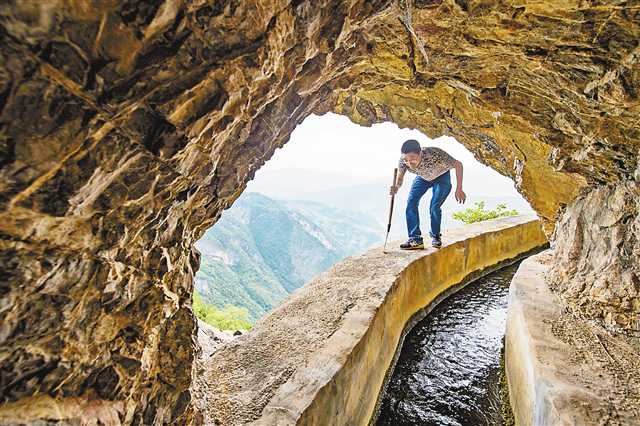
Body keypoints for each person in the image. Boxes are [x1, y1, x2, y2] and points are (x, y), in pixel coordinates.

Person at [389, 139, 466, 249]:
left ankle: (436, 236)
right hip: (423, 178)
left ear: (420, 153)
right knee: (411, 202)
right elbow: (400, 177)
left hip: (441, 177)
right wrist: (396, 187)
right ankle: (415, 239)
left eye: (413, 159)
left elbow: (458, 164)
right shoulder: (403, 160)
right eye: (407, 160)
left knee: (434, 206)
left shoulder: (435, 154)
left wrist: (459, 188)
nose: (410, 163)